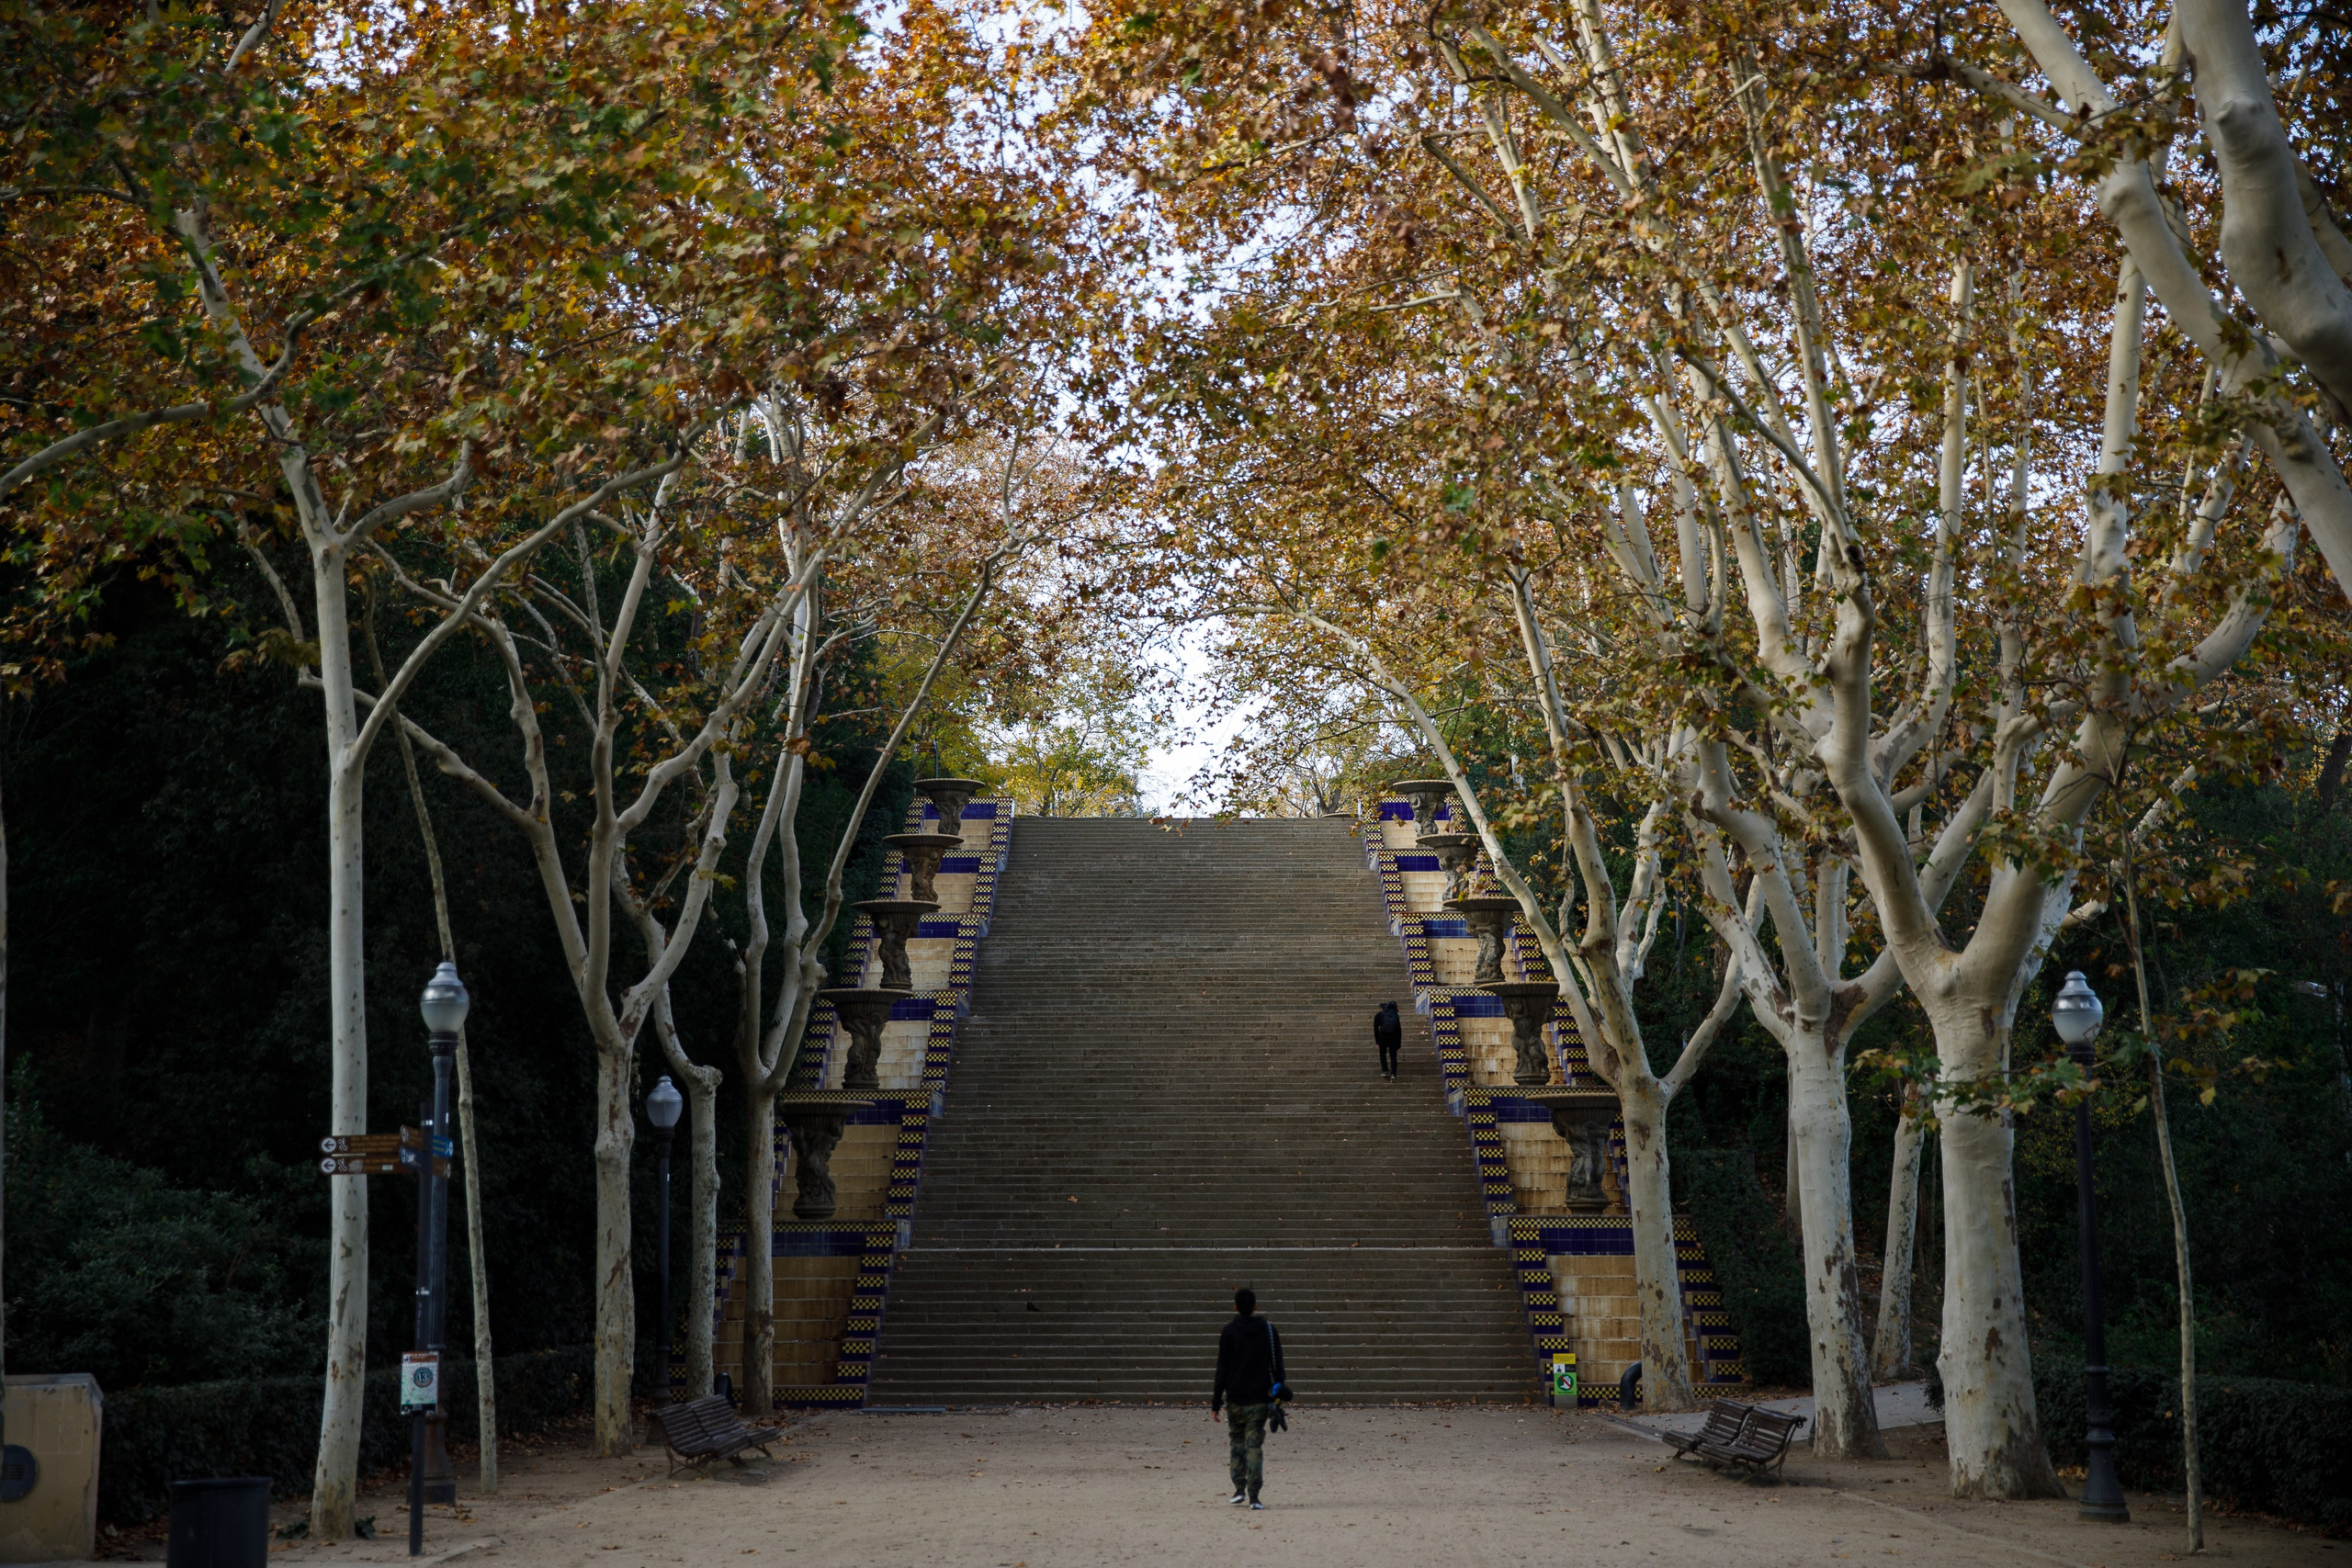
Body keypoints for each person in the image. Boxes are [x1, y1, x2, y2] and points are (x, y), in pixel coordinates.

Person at [1209, 1286, 1285, 1509]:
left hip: (1235, 1398)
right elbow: (1278, 1367)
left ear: (1235, 1307)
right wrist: (1279, 1397)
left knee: (1237, 1443)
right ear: (1255, 1306)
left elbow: (1221, 1369)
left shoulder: (1229, 1331)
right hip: (1260, 1397)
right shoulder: (1268, 1331)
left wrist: (1216, 1402)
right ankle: (1255, 1496)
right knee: (1254, 1445)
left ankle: (1239, 1488)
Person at [1373, 1000, 1402, 1080]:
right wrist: (1399, 1042)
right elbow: (1399, 1029)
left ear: (1381, 1008)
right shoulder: (1395, 1015)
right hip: (1393, 1037)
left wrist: (1377, 1042)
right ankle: (1393, 1074)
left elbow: (1376, 1029)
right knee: (1393, 1056)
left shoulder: (1379, 1015)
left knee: (1382, 1054)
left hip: (1383, 1036)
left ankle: (1385, 1070)